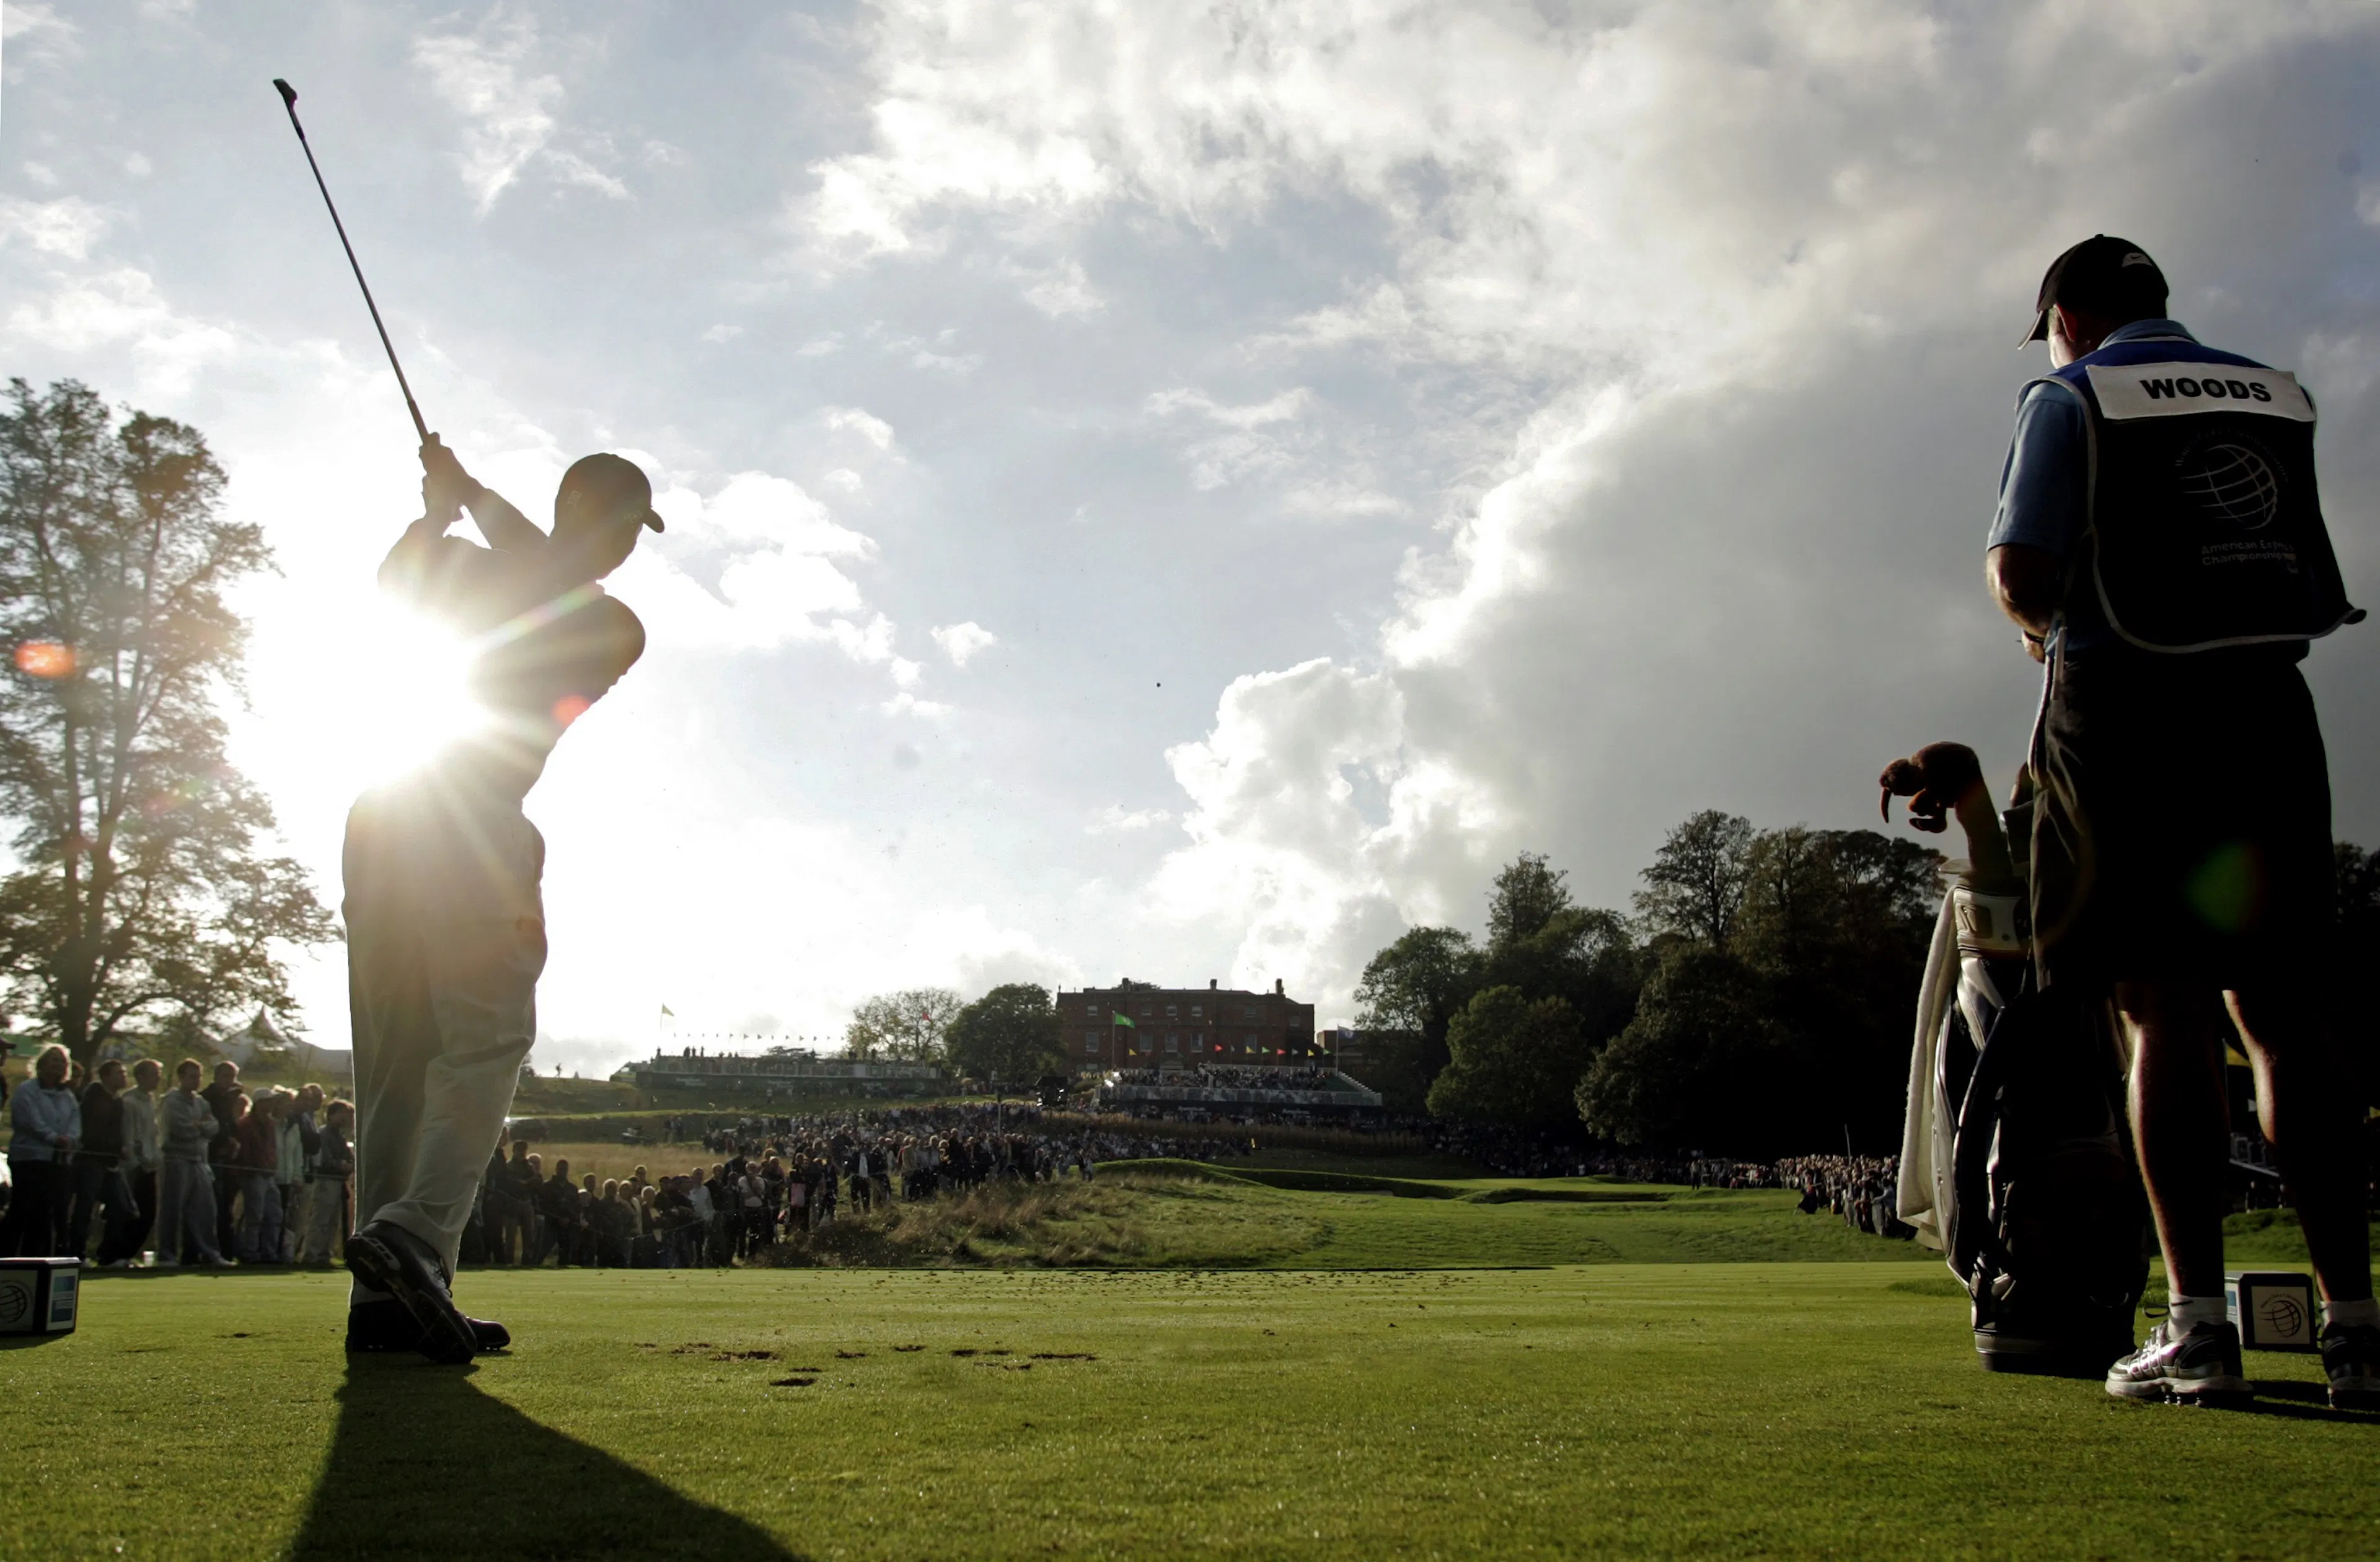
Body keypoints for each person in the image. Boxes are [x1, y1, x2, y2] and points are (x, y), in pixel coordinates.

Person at [1986, 236, 2375, 1410]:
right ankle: (2357, 1325)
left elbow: (2023, 568)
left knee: (2161, 1005)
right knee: (2283, 1014)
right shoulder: (2271, 388)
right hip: (2267, 713)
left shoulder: (2071, 392)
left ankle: (2199, 1323)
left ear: (2068, 312)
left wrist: (2038, 633)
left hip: (2132, 719)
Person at [342, 436, 655, 1362]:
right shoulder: (596, 610)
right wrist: (456, 502)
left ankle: (387, 1306)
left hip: (388, 814)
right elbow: (413, 583)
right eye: (630, 527)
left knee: (402, 1068)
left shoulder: (607, 623)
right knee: (481, 1045)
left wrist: (453, 507)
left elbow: (412, 580)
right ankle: (415, 1238)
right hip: (467, 821)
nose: (631, 549)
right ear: (602, 521)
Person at [1, 1044, 78, 1255]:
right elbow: (29, 1120)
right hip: (29, 1159)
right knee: (23, 1209)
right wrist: (53, 1138)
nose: (58, 1065)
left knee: (46, 1213)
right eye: (53, 1060)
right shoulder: (28, 1090)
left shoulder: (67, 1096)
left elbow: (74, 1121)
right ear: (42, 1063)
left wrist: (70, 1139)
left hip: (56, 1161)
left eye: (62, 1061)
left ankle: (37, 1257)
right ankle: (8, 1255)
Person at [153, 1061, 230, 1268]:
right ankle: (167, 1255)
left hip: (198, 1160)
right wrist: (200, 1126)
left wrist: (200, 1125)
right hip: (176, 1159)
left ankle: (210, 1253)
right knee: (172, 1208)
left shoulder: (202, 1102)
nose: (196, 1080)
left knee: (206, 1208)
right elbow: (179, 1128)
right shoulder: (171, 1101)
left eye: (199, 1076)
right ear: (182, 1077)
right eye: (192, 1076)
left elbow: (214, 1128)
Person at [67, 1058, 136, 1265]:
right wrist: (117, 1149)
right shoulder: (94, 1100)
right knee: (85, 1210)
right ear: (106, 1076)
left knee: (122, 1208)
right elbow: (90, 1135)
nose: (124, 1076)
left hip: (109, 1163)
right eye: (119, 1073)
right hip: (90, 1162)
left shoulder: (117, 1102)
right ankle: (76, 1255)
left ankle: (108, 1255)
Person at [103, 1059, 164, 1266]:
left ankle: (127, 1254)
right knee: (129, 1212)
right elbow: (129, 1136)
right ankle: (114, 1255)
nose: (158, 1078)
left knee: (148, 1214)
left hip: (150, 1165)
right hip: (134, 1166)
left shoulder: (150, 1100)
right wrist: (135, 1162)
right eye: (154, 1074)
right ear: (140, 1077)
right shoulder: (129, 1102)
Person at [303, 1100, 356, 1268]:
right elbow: (326, 1159)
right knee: (321, 1218)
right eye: (341, 1113)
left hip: (338, 1181)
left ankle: (324, 1254)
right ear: (331, 1115)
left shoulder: (339, 1136)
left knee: (333, 1220)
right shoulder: (324, 1134)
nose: (344, 1118)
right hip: (326, 1179)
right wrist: (341, 1165)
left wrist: (348, 1164)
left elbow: (350, 1157)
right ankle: (312, 1254)